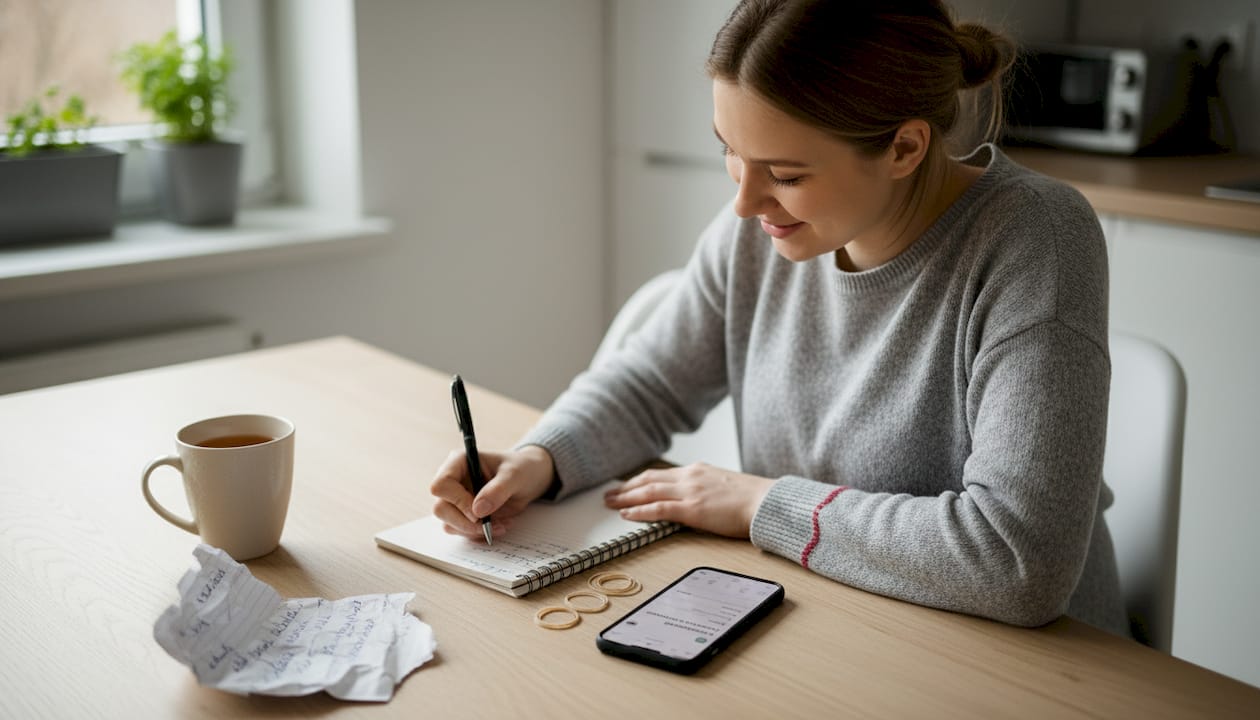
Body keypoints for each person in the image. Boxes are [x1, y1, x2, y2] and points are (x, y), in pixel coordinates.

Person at [430, 0, 1128, 636]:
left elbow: (1016, 560)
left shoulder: (1037, 238)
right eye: (730, 153)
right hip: (831, 620)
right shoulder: (765, 227)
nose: (744, 202)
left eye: (786, 174)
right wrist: (539, 458)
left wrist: (758, 505)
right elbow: (649, 383)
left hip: (1027, 665)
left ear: (905, 148)